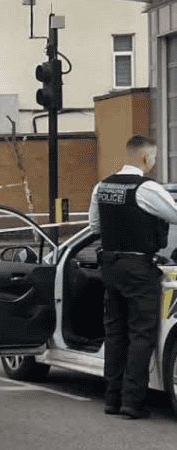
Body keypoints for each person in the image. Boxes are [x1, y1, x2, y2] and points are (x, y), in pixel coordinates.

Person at [88, 134, 177, 419]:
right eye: (154, 156)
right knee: (141, 333)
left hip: (110, 267)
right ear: (146, 157)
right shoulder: (147, 188)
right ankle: (132, 402)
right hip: (139, 268)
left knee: (115, 334)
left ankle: (112, 400)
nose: (154, 161)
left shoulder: (102, 186)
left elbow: (94, 227)